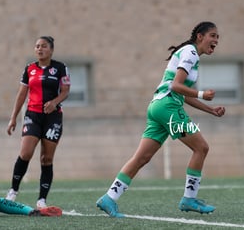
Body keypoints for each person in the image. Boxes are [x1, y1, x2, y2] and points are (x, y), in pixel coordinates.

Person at [96, 21, 226, 218]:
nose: (216, 40)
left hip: (157, 107)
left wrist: (210, 110)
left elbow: (184, 94)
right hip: (168, 106)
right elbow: (176, 87)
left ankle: (109, 198)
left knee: (142, 158)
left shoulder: (190, 54)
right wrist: (202, 93)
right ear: (200, 36)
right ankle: (189, 199)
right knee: (201, 148)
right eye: (213, 36)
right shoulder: (190, 53)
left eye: (218, 37)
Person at [5, 36, 71, 209]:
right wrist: (13, 117)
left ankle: (42, 199)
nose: (39, 49)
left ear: (51, 49)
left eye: (43, 46)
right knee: (26, 153)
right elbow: (21, 94)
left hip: (53, 117)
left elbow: (65, 91)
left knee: (46, 159)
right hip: (33, 115)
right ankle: (12, 191)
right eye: (37, 46)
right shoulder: (29, 69)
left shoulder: (60, 68)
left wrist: (54, 102)